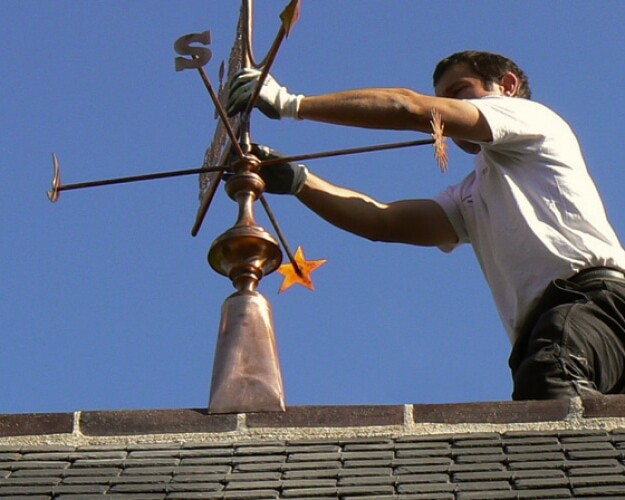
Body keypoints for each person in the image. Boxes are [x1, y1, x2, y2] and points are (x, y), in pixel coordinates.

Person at [227, 50, 625, 400]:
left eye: (459, 92)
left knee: (551, 384)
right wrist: (300, 181)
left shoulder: (530, 119)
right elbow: (384, 220)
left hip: (592, 304)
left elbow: (411, 108)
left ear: (506, 85)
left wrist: (290, 103)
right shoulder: (476, 192)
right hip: (567, 323)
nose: (445, 107)